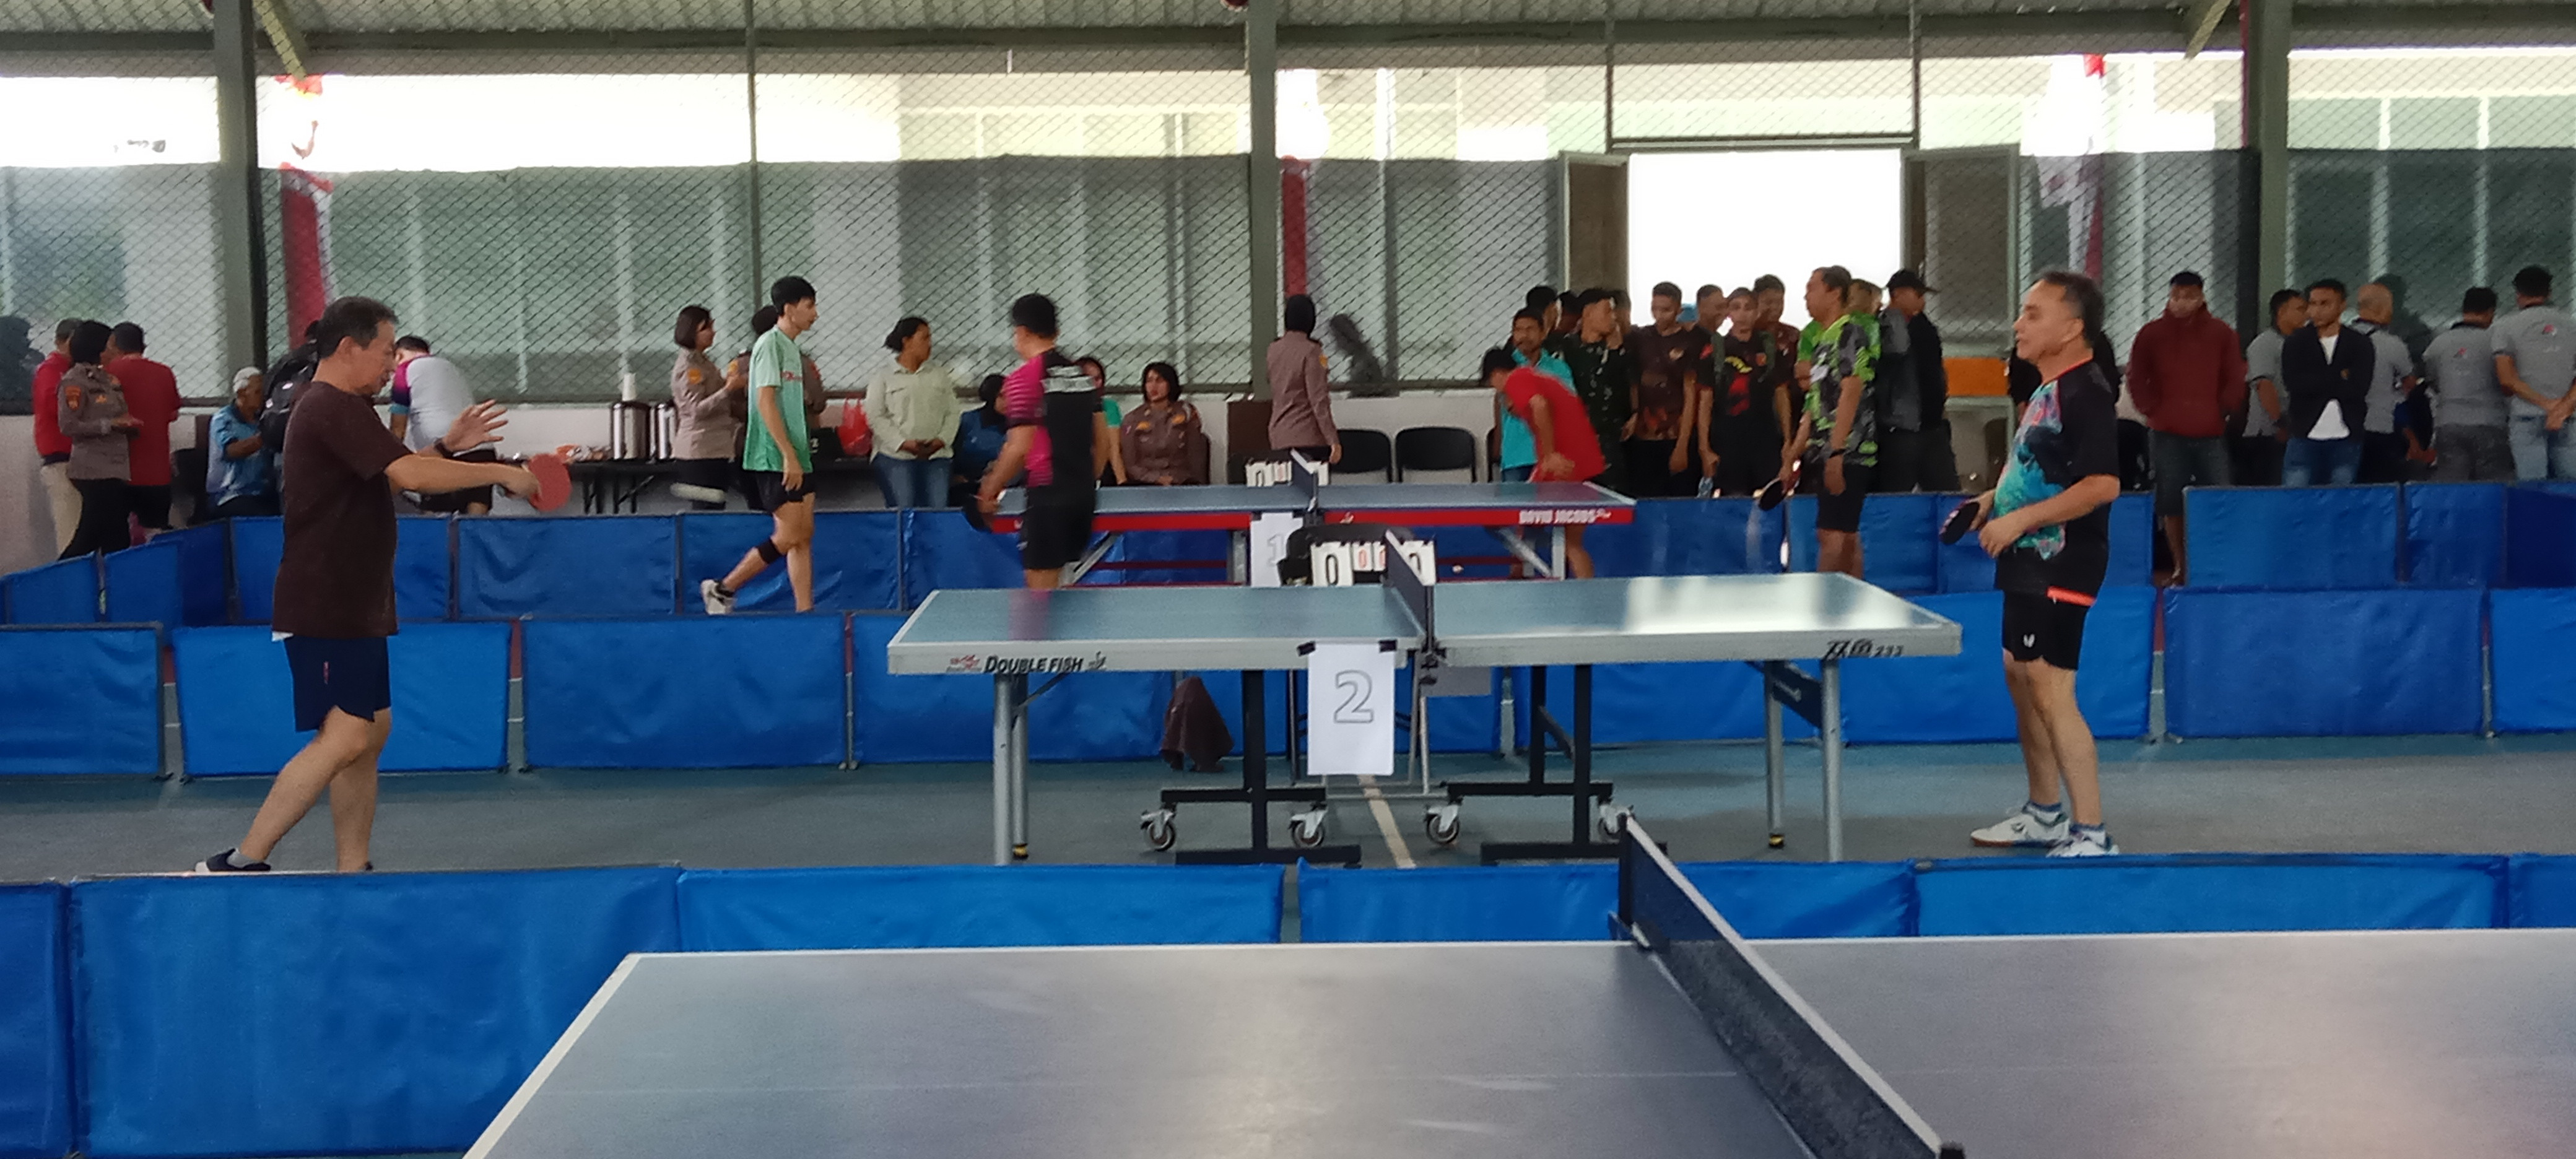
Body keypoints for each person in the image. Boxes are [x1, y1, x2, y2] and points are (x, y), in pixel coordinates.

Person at [194, 295, 534, 875]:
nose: (391, 366)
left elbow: (390, 479)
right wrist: (501, 471)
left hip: (356, 602)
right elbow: (409, 473)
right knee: (348, 736)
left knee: (369, 734)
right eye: (385, 352)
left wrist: (448, 446)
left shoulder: (343, 409)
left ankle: (353, 868)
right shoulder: (330, 405)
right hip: (325, 601)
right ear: (349, 348)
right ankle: (239, 860)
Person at [1965, 271, 2125, 859]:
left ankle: (2092, 833)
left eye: (2034, 314)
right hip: (2029, 560)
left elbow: (2102, 485)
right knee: (2020, 674)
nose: (2018, 324)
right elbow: (2044, 468)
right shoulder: (2047, 390)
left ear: (2072, 328)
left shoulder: (2087, 392)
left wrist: (2020, 521)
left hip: (2064, 561)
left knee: (2051, 688)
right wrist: (1994, 501)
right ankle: (2043, 813)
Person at [702, 277, 822, 614]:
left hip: (798, 454)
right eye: (810, 306)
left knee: (803, 535)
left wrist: (798, 454)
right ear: (789, 309)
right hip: (773, 456)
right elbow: (765, 401)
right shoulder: (769, 345)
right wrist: (787, 455)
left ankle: (805, 612)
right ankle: (723, 589)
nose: (815, 313)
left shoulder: (792, 349)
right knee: (790, 535)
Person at [2127, 271, 2244, 583]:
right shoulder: (2151, 334)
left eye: (2188, 297)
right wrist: (2151, 409)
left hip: (2210, 431)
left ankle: (2216, 564)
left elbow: (2235, 374)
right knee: (2170, 500)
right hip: (2166, 431)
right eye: (2176, 296)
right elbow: (2136, 375)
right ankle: (2182, 567)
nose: (2181, 302)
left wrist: (2223, 409)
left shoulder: (2222, 334)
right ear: (2169, 297)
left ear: (2202, 297)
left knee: (2219, 496)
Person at [977, 293, 1100, 590]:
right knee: (1066, 591)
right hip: (1083, 497)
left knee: (1041, 598)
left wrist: (989, 491)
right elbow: (1101, 439)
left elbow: (1019, 447)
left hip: (1048, 497)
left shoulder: (1023, 379)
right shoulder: (1081, 376)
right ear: (1055, 331)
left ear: (1021, 332)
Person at [1783, 266, 1878, 579]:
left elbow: (1852, 391)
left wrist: (1837, 452)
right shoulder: (1824, 340)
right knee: (1845, 533)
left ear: (1834, 293)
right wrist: (1792, 454)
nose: (1806, 296)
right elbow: (1815, 404)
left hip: (1850, 450)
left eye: (1812, 288)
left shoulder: (1850, 333)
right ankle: (1856, 598)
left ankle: (1827, 600)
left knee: (1833, 534)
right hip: (1824, 450)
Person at [1487, 337, 1604, 578]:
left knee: (1503, 524)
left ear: (1497, 374)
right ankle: (1582, 590)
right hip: (1580, 460)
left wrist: (1550, 456)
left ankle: (1520, 577)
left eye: (1491, 382)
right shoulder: (1535, 378)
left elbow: (1539, 405)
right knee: (1568, 542)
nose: (1496, 389)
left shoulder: (1517, 379)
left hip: (1565, 464)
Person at [55, 321, 138, 559]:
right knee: (89, 538)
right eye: (110, 345)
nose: (114, 350)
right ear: (97, 348)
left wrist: (128, 424)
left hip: (115, 467)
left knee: (117, 538)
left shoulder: (106, 379)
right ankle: (58, 578)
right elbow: (69, 425)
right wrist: (109, 425)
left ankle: (114, 582)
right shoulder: (74, 382)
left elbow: (116, 411)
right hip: (93, 470)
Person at [385, 337, 496, 515]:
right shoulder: (451, 367)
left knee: (435, 518)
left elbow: (398, 429)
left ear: (398, 355)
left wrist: (393, 467)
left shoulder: (404, 370)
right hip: (481, 445)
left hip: (442, 449)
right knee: (476, 520)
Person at [1871, 269, 1957, 494]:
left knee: (1946, 491)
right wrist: (1894, 317)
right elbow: (1897, 350)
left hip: (1932, 425)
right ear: (1897, 294)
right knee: (1895, 494)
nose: (1922, 300)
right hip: (1899, 427)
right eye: (1917, 294)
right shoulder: (1882, 326)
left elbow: (1935, 369)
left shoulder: (1925, 327)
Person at [2280, 279, 2374, 487]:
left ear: (2342, 306)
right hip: (2304, 434)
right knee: (2295, 497)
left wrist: (2317, 379)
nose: (2317, 311)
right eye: (2313, 304)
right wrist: (2338, 376)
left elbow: (2359, 388)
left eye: (2325, 304)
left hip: (2346, 436)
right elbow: (2295, 384)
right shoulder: (2296, 342)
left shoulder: (2359, 343)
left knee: (2340, 499)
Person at [866, 316, 965, 509]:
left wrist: (941, 440)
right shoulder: (883, 377)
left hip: (937, 457)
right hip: (896, 458)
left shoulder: (939, 375)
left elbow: (953, 412)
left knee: (937, 510)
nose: (930, 344)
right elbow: (876, 416)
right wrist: (902, 443)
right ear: (907, 341)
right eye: (924, 338)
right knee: (904, 510)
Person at [2492, 264, 2576, 480]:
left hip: (2526, 415)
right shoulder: (2571, 325)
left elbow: (2507, 379)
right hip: (2568, 417)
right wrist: (2562, 408)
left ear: (2518, 294)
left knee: (2532, 485)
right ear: (2549, 292)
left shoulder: (2505, 327)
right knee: (2570, 484)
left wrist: (2546, 404)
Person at [1706, 288, 1790, 495]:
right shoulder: (1717, 349)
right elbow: (1705, 400)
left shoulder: (1769, 348)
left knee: (1770, 499)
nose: (1742, 314)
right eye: (1736, 308)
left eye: (1748, 308)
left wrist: (1788, 439)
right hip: (1728, 441)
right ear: (1728, 313)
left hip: (1766, 440)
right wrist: (1704, 448)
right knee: (1733, 501)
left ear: (1757, 312)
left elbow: (1781, 393)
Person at [2426, 288, 2514, 482]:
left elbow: (2432, 381)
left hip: (2449, 422)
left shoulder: (2438, 343)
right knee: (2492, 485)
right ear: (2491, 312)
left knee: (2452, 485)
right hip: (2490, 422)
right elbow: (2507, 379)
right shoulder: (2496, 342)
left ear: (2464, 309)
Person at [1626, 282, 1705, 497]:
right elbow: (1634, 382)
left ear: (1679, 310)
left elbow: (1691, 395)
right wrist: (1634, 413)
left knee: (1678, 500)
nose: (1659, 315)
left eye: (1666, 310)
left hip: (1676, 435)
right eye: (1655, 309)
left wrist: (1682, 445)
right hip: (1644, 437)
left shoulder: (1690, 342)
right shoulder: (1641, 338)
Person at [103, 323, 180, 535]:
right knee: (155, 534)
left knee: (116, 537)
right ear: (143, 346)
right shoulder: (164, 373)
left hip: (119, 473)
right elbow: (173, 413)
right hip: (158, 472)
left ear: (114, 345)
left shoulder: (108, 375)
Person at [668, 305, 742, 510]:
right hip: (700, 451)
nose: (713, 332)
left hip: (715, 448)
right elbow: (696, 410)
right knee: (706, 511)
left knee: (715, 508)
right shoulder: (689, 366)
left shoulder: (703, 361)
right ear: (691, 331)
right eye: (706, 328)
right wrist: (728, 389)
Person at [1561, 288, 1635, 494]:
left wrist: (1615, 352)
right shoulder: (1567, 349)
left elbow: (1628, 387)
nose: (1613, 318)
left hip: (1613, 441)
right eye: (1607, 311)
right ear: (1588, 313)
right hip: (1577, 442)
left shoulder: (1620, 350)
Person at [2351, 282, 2423, 483]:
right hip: (2379, 427)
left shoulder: (2339, 339)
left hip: (2344, 428)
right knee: (2380, 484)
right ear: (2382, 308)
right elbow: (2411, 386)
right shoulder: (2392, 344)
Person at [2235, 289, 2306, 487]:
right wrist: (2279, 423)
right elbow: (2264, 386)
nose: (2306, 314)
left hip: (2293, 430)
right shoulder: (2265, 344)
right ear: (2282, 312)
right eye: (2300, 309)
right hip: (2267, 434)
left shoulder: (2298, 344)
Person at [1503, 303, 1578, 484]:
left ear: (1543, 333)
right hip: (1516, 457)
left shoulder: (1559, 368)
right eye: (1519, 330)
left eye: (1530, 329)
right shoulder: (1506, 366)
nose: (1524, 336)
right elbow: (1514, 406)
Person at [1267, 294, 1338, 467]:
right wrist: (1333, 440)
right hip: (1308, 437)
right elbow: (1318, 399)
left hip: (1279, 434)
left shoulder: (1273, 350)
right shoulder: (1312, 351)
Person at [31, 319, 79, 555]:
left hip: (80, 459)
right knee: (70, 531)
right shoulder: (51, 370)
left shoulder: (77, 371)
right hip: (61, 459)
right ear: (60, 341)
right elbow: (55, 406)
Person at [206, 367, 279, 519]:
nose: (263, 397)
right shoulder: (223, 420)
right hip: (230, 495)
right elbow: (233, 451)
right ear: (241, 394)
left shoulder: (263, 419)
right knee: (261, 515)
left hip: (262, 492)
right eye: (257, 392)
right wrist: (266, 436)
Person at [1120, 362, 1208, 487]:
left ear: (1170, 384)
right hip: (1145, 483)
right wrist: (1156, 479)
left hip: (1181, 482)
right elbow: (1130, 464)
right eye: (1149, 381)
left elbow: (1196, 456)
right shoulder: (1132, 419)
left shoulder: (1187, 413)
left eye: (1160, 381)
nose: (1153, 386)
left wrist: (1187, 483)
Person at [1753, 273, 1804, 437]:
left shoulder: (1793, 335)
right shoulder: (1747, 336)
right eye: (1769, 302)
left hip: (1793, 412)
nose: (1775, 307)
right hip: (1756, 415)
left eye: (1780, 302)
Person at [951, 373, 1007, 504]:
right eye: (1002, 396)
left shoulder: (1015, 426)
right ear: (991, 396)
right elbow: (953, 453)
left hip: (1001, 486)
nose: (1008, 402)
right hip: (965, 484)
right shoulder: (969, 421)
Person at [1075, 356, 1128, 486]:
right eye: (1090, 379)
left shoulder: (1109, 407)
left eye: (1099, 379)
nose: (1096, 384)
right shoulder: (1065, 409)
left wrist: (1122, 482)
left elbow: (1113, 447)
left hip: (1101, 472)